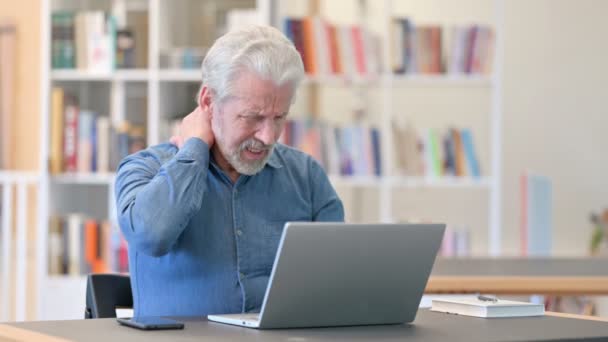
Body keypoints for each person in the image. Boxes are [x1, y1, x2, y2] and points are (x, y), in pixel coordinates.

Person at [114, 25, 344, 317]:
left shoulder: (306, 176)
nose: (269, 136)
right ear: (209, 102)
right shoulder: (143, 168)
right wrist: (195, 147)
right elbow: (151, 236)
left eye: (279, 117)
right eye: (253, 117)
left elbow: (337, 279)